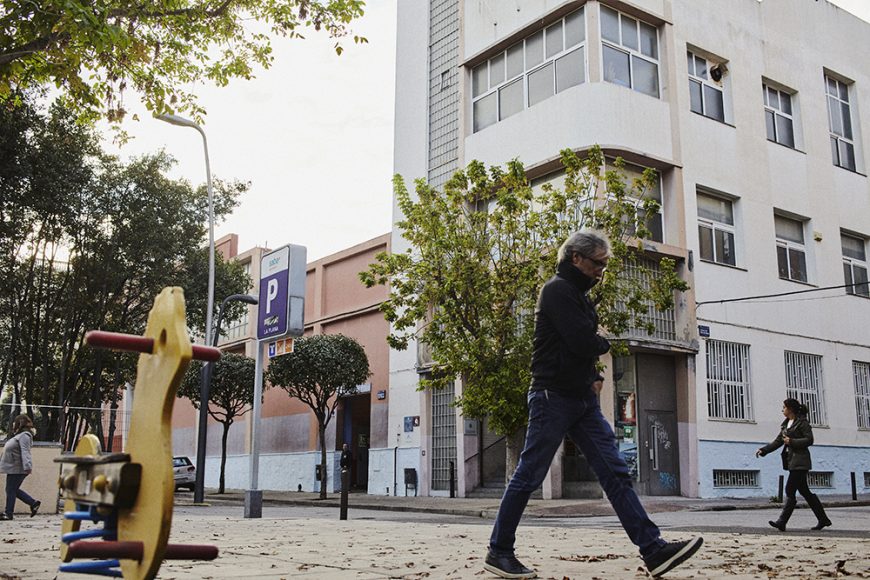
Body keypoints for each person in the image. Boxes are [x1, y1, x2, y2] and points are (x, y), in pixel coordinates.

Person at [484, 230, 703, 579]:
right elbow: (582, 341)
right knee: (529, 475)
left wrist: (592, 374)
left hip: (581, 400)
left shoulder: (580, 297)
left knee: (615, 472)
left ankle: (654, 550)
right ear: (576, 258)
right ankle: (499, 551)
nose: (602, 270)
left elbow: (579, 348)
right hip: (551, 396)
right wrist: (600, 341)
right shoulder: (557, 290)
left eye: (605, 264)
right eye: (598, 263)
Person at [756, 398, 831, 532]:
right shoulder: (786, 424)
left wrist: (792, 441)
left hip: (801, 462)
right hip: (792, 461)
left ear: (790, 409)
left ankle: (782, 521)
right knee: (805, 492)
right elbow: (778, 441)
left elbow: (809, 440)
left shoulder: (802, 423)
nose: (782, 410)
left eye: (784, 407)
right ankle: (823, 519)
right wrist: (764, 450)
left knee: (790, 489)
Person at [0, 414, 41, 520]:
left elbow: (25, 451)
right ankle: (33, 503)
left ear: (19, 423)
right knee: (12, 489)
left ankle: (8, 513)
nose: (13, 424)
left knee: (11, 489)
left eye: (15, 422)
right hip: (14, 467)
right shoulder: (21, 435)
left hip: (18, 468)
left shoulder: (25, 436)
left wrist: (27, 466)